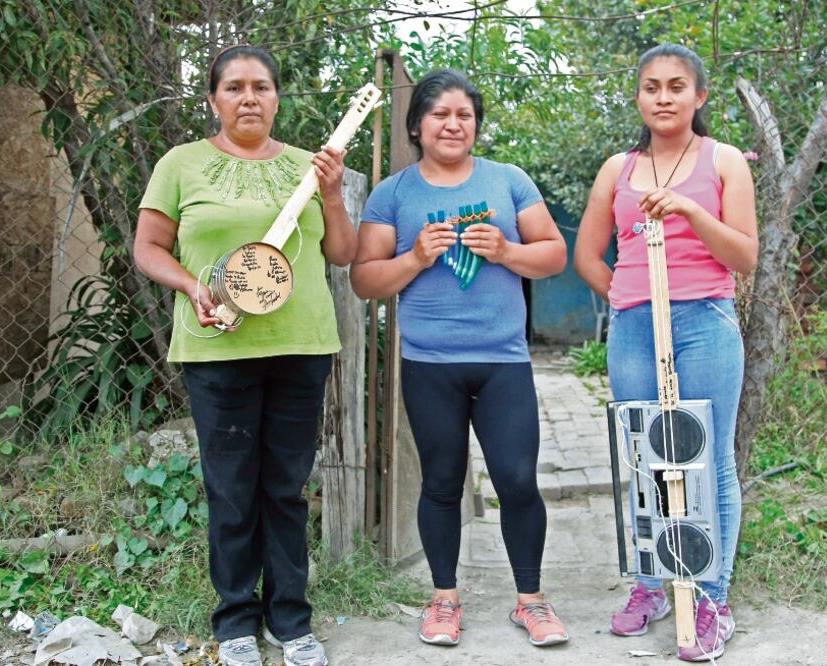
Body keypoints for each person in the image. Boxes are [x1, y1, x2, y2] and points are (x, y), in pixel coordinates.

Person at [133, 44, 357, 666]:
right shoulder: (182, 164)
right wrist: (189, 285)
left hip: (300, 345)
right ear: (213, 99)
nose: (249, 97)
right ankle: (236, 621)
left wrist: (334, 195)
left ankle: (292, 620)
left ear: (277, 97)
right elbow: (149, 246)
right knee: (231, 489)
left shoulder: (309, 168)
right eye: (234, 87)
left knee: (285, 488)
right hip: (216, 347)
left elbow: (341, 253)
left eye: (261, 86)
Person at [350, 69, 569, 648]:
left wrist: (507, 249)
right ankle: (444, 599)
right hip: (429, 363)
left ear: (475, 125)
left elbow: (553, 255)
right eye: (440, 114)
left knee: (518, 480)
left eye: (464, 115)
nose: (453, 124)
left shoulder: (509, 180)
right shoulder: (394, 193)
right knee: (442, 481)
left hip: (503, 360)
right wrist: (416, 258)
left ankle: (532, 601)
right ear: (417, 125)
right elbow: (365, 280)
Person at [574, 44, 758, 662]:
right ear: (639, 97)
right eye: (651, 86)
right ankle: (652, 585)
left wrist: (688, 210)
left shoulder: (724, 161)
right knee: (649, 455)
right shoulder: (617, 169)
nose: (664, 96)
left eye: (677, 86)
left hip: (705, 318)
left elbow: (744, 255)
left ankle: (711, 598)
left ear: (699, 97)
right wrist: (629, 301)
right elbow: (587, 255)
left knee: (709, 458)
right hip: (633, 325)